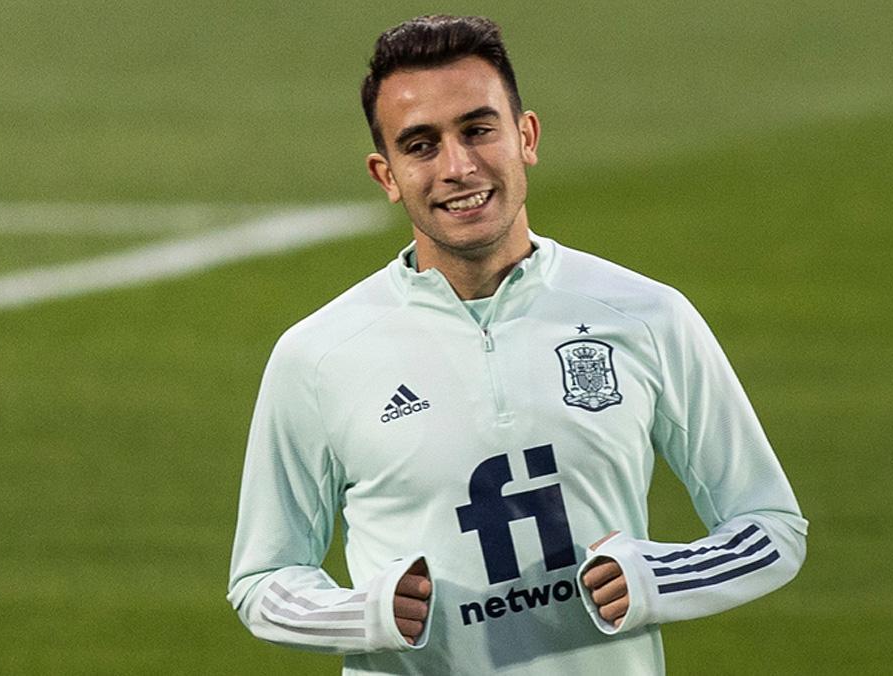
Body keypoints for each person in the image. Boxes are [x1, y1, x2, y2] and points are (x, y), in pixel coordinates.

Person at [227, 14, 807, 675]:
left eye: (478, 130)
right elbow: (263, 579)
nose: (458, 166)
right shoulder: (319, 356)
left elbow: (770, 527)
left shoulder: (646, 317)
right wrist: (365, 613)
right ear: (385, 175)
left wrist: (657, 577)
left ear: (525, 136)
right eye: (421, 146)